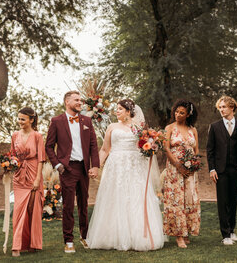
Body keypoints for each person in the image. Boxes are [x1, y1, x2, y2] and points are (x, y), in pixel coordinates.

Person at [86, 99, 164, 251]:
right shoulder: (112, 127)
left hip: (135, 166)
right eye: (116, 109)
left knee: (135, 197)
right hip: (116, 166)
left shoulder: (139, 128)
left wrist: (150, 148)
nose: (117, 111)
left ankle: (139, 236)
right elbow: (105, 149)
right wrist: (96, 166)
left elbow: (145, 147)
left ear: (129, 111)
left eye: (120, 109)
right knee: (115, 198)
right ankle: (113, 235)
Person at [45, 91, 100, 253]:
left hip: (83, 168)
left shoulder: (87, 121)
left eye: (80, 100)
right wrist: (57, 165)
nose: (80, 102)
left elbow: (93, 145)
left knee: (84, 204)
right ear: (67, 102)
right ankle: (68, 240)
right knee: (68, 205)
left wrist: (95, 165)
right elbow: (48, 146)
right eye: (76, 100)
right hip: (67, 169)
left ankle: (85, 236)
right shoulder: (57, 121)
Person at [206, 96, 237, 245]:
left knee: (233, 201)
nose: (221, 110)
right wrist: (212, 169)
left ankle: (231, 231)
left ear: (232, 107)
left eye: (224, 107)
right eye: (220, 107)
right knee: (223, 202)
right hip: (220, 170)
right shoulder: (214, 126)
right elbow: (210, 150)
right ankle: (225, 235)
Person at [163, 99, 201, 248]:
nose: (178, 115)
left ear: (188, 115)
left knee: (189, 199)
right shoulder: (170, 128)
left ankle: (186, 233)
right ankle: (178, 236)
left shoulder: (193, 130)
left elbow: (197, 150)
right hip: (174, 169)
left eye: (182, 113)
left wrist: (194, 165)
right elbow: (166, 148)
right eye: (177, 112)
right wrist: (178, 165)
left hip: (190, 171)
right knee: (176, 200)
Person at [9, 107, 46, 257]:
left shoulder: (38, 136)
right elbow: (12, 154)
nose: (20, 122)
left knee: (32, 210)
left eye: (23, 119)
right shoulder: (14, 135)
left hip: (33, 174)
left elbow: (41, 159)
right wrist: (9, 164)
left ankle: (32, 244)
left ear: (31, 120)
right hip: (19, 176)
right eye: (18, 118)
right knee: (18, 210)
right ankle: (16, 246)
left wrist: (37, 179)